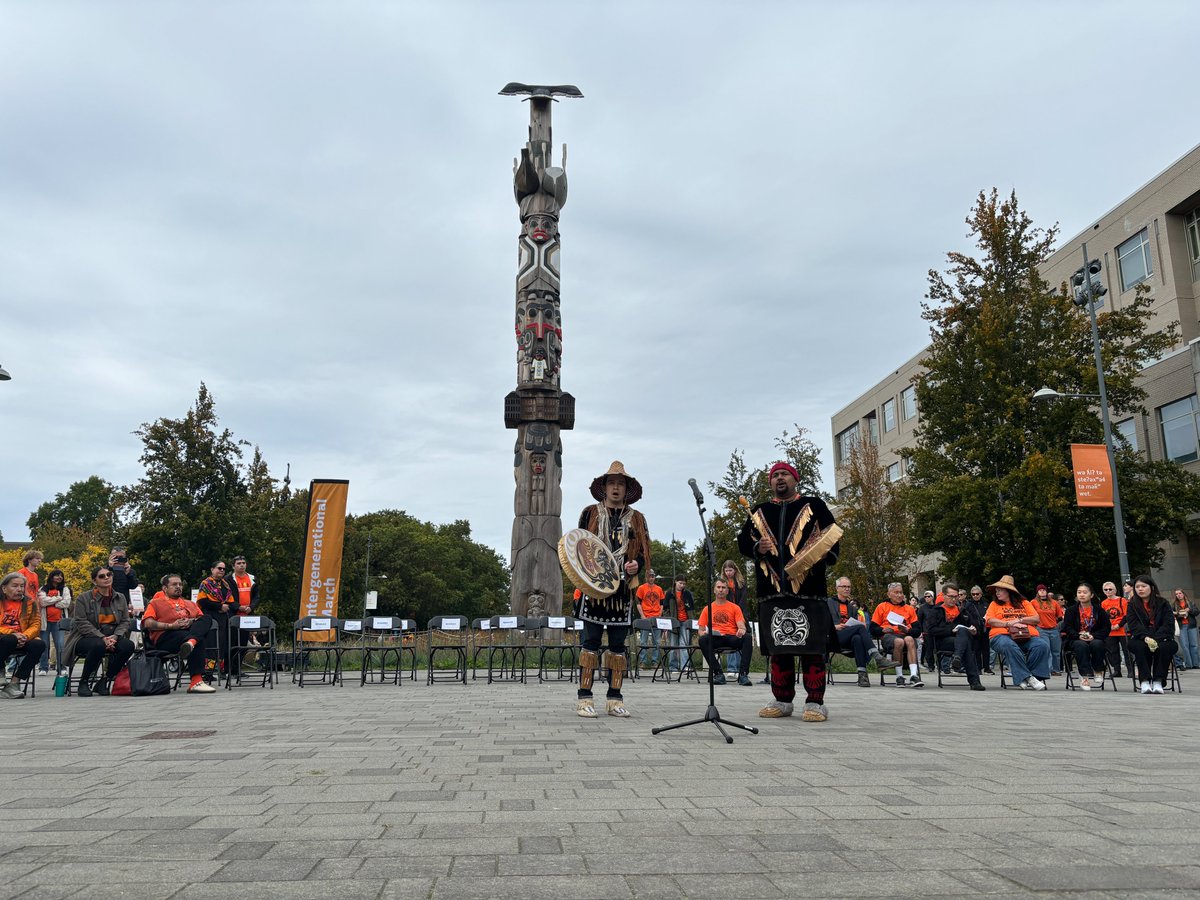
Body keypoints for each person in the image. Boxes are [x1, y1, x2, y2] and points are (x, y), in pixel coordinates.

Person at [736, 461, 840, 722]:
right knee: (779, 650)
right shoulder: (759, 511)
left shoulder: (814, 505)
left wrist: (821, 555)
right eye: (775, 475)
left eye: (785, 474)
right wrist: (757, 547)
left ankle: (815, 702)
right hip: (772, 591)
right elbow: (743, 541)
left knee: (812, 649)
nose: (779, 478)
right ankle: (782, 700)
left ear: (795, 479)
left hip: (809, 590)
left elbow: (832, 536)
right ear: (770, 482)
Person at [573, 461, 650, 718]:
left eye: (620, 484)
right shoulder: (590, 513)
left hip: (622, 591)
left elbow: (643, 553)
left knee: (618, 646)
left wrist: (636, 565)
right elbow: (579, 546)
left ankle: (614, 699)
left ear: (626, 489)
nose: (616, 488)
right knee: (590, 643)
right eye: (612, 483)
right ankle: (584, 698)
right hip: (594, 589)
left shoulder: (637, 519)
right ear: (604, 487)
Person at [63, 566, 135, 697]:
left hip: (112, 636)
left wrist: (116, 636)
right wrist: (102, 637)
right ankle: (84, 682)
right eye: (102, 576)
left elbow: (125, 621)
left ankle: (105, 680)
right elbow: (81, 622)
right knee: (98, 645)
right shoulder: (83, 598)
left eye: (109, 574)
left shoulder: (120, 597)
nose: (107, 578)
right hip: (85, 638)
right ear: (94, 581)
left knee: (128, 646)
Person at [142, 574, 216, 694]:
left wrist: (191, 621)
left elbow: (201, 621)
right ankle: (196, 682)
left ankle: (191, 643)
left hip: (188, 634)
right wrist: (171, 626)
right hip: (166, 637)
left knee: (206, 618)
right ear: (165, 588)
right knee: (198, 639)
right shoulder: (155, 603)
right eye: (174, 584)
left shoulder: (190, 603)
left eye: (180, 584)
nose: (178, 587)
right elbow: (148, 623)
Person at [983, 575, 1050, 691]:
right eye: (996, 590)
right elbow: (990, 620)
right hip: (1001, 636)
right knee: (1010, 645)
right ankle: (1029, 678)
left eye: (1000, 590)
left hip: (1026, 635)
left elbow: (1036, 618)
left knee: (1042, 645)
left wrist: (1019, 620)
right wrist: (1008, 624)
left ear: (1009, 591)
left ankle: (1026, 677)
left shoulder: (1024, 603)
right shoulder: (994, 604)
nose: (997, 593)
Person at [925, 582, 985, 690]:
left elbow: (974, 626)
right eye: (951, 596)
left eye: (956, 597)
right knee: (965, 643)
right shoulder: (936, 611)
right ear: (944, 596)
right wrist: (950, 630)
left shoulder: (962, 611)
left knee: (964, 634)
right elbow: (931, 630)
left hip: (961, 641)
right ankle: (974, 682)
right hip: (943, 641)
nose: (954, 599)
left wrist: (974, 631)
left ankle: (957, 657)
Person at [1126, 574, 1177, 694]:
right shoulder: (1132, 604)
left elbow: (1168, 624)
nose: (1140, 589)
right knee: (1140, 647)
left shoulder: (1163, 603)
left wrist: (1156, 638)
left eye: (1143, 586)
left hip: (1162, 638)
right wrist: (1146, 637)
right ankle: (1144, 681)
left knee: (1164, 647)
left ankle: (1158, 681)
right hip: (1140, 638)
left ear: (1152, 587)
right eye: (1137, 587)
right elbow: (1133, 625)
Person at [697, 579, 753, 686]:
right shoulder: (707, 609)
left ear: (727, 591)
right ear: (714, 590)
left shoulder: (735, 607)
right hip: (717, 638)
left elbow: (742, 627)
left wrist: (741, 630)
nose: (721, 590)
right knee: (702, 640)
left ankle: (743, 675)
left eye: (723, 587)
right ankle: (718, 673)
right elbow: (700, 630)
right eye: (718, 587)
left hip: (732, 637)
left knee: (747, 638)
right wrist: (703, 633)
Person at [0, 572, 46, 698]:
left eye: (22, 586)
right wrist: (13, 634)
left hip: (22, 637)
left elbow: (36, 624)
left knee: (39, 645)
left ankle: (14, 683)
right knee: (9, 639)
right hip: (4, 637)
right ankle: (0, 672)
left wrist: (24, 636)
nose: (19, 589)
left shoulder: (30, 603)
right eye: (15, 586)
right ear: (4, 588)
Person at [828, 576, 879, 687]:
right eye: (844, 586)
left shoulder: (852, 608)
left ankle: (862, 675)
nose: (847, 589)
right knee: (860, 628)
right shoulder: (828, 603)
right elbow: (820, 622)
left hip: (848, 639)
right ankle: (876, 655)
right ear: (837, 588)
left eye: (849, 587)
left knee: (857, 638)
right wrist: (835, 627)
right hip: (833, 637)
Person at [871, 582, 923, 687]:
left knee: (909, 639)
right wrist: (883, 630)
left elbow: (918, 631)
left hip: (905, 634)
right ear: (889, 594)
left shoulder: (909, 608)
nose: (899, 595)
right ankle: (899, 676)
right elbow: (872, 629)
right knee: (899, 642)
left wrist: (907, 630)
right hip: (889, 636)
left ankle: (914, 675)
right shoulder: (882, 607)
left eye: (901, 592)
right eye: (896, 592)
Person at [1061, 583, 1110, 690]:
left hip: (1094, 638)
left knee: (1097, 644)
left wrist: (1094, 635)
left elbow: (1106, 628)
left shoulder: (1099, 610)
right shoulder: (1071, 610)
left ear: (1091, 595)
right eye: (1079, 592)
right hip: (1076, 639)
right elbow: (1067, 627)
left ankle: (1098, 670)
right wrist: (1078, 635)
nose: (1081, 595)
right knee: (1081, 645)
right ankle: (1084, 676)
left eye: (1085, 592)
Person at [197, 561, 239, 681]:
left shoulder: (225, 584)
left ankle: (221, 671)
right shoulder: (206, 583)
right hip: (210, 616)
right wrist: (219, 606)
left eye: (223, 569)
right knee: (211, 644)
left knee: (222, 644)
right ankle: (207, 672)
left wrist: (232, 607)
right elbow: (202, 601)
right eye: (219, 568)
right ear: (212, 569)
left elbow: (230, 601)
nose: (221, 571)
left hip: (223, 617)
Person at [37, 568, 72, 675]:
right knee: (44, 645)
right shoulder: (43, 588)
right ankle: (43, 668)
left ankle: (61, 667)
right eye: (57, 575)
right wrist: (57, 598)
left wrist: (52, 602)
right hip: (45, 621)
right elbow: (42, 602)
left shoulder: (65, 589)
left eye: (61, 575)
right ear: (51, 577)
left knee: (60, 645)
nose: (59, 577)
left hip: (59, 622)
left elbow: (66, 602)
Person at [720, 560, 748, 675]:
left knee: (740, 639)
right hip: (728, 613)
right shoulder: (722, 583)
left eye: (730, 570)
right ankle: (731, 668)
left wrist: (738, 611)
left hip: (740, 612)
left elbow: (744, 599)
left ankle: (741, 668)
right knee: (731, 639)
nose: (728, 573)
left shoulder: (741, 582)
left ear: (735, 570)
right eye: (726, 570)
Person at [634, 571, 666, 671]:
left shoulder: (659, 589)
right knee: (643, 641)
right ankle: (642, 662)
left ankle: (654, 662)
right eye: (649, 576)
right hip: (646, 616)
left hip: (656, 617)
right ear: (646, 577)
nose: (651, 578)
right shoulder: (641, 588)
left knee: (657, 641)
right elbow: (638, 603)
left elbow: (662, 603)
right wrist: (642, 615)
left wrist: (660, 614)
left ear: (654, 577)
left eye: (653, 576)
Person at [1100, 581, 1132, 678]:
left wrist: (1119, 624)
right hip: (1110, 631)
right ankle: (1117, 670)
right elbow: (1103, 617)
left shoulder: (1122, 600)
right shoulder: (1103, 603)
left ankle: (1130, 670)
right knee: (1113, 651)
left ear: (1115, 590)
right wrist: (1108, 626)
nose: (1108, 591)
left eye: (1110, 589)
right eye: (1106, 590)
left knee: (1127, 651)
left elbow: (1126, 615)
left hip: (1122, 630)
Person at [1032, 584, 1064, 675]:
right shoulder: (1033, 602)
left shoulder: (1054, 602)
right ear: (1037, 592)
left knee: (1056, 651)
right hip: (1041, 628)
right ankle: (1047, 670)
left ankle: (1056, 670)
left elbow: (1060, 616)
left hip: (1054, 628)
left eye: (1044, 590)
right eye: (1040, 590)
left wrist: (1058, 626)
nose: (1042, 591)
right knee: (1047, 650)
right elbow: (1031, 615)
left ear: (1046, 591)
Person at [667, 577, 693, 673]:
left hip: (685, 621)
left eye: (684, 584)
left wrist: (691, 621)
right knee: (673, 645)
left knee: (684, 645)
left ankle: (684, 666)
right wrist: (668, 622)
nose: (682, 585)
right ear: (675, 582)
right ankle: (673, 666)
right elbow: (666, 608)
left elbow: (691, 608)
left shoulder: (687, 594)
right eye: (680, 583)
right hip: (673, 622)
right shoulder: (670, 593)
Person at [966, 584, 993, 673]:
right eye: (973, 594)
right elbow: (966, 617)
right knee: (976, 649)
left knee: (986, 649)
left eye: (977, 594)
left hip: (985, 629)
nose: (975, 596)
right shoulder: (968, 604)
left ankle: (987, 667)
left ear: (981, 594)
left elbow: (989, 615)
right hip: (974, 630)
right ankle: (978, 667)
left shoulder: (985, 604)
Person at [1170, 589, 1199, 670]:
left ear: (1183, 594)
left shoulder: (1190, 603)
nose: (1178, 595)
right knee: (1185, 646)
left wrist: (1189, 610)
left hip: (1191, 625)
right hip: (1181, 626)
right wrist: (1179, 614)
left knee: (1194, 645)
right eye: (1176, 594)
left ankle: (1196, 664)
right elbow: (1171, 614)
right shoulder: (1174, 605)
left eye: (1180, 593)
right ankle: (1188, 664)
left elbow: (1197, 612)